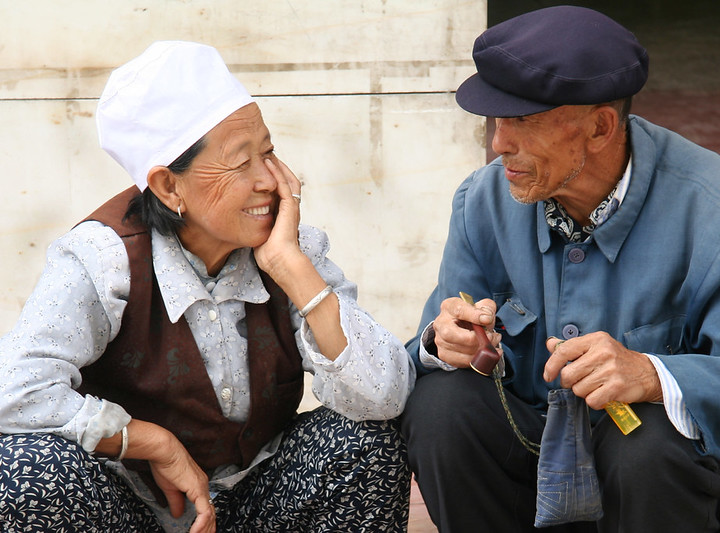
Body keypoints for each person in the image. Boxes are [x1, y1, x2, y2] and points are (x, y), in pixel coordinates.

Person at [401, 6, 720, 533]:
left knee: (649, 440)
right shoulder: (484, 200)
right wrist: (444, 342)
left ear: (599, 127)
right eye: (496, 120)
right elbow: (422, 350)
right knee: (440, 406)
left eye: (522, 121)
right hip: (530, 466)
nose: (499, 144)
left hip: (663, 497)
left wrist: (653, 376)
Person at [0, 41, 415, 532]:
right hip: (132, 509)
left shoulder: (292, 248)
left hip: (259, 494)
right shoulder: (105, 258)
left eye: (270, 152)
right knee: (23, 468)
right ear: (168, 187)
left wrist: (292, 266)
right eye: (241, 163)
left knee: (365, 441)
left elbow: (384, 395)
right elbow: (14, 390)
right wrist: (148, 441)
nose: (270, 180)